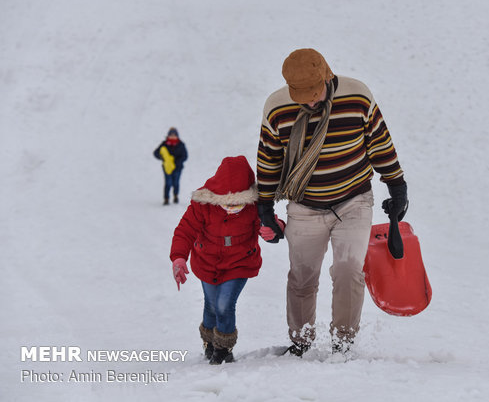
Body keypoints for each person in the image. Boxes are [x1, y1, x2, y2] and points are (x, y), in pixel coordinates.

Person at [256, 48, 409, 356]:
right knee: (302, 276)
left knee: (348, 269)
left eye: (314, 93)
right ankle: (301, 342)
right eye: (302, 96)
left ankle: (343, 343)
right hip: (304, 206)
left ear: (327, 75)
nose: (310, 102)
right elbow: (269, 159)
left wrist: (396, 185)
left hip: (354, 200)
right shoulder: (277, 107)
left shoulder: (357, 95)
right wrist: (265, 206)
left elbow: (379, 142)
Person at [169, 155, 264, 365]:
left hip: (239, 263)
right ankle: (209, 343)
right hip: (207, 262)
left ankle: (224, 349)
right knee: (211, 306)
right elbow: (185, 231)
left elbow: (267, 224)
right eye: (228, 202)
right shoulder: (203, 204)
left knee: (224, 305)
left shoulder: (255, 205)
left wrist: (274, 229)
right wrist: (178, 258)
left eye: (240, 201)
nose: (233, 206)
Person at [153, 127, 188, 205]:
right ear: (168, 135)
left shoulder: (181, 145)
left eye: (174, 135)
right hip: (167, 168)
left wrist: (177, 162)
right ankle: (166, 198)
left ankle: (175, 196)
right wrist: (162, 157)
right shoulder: (164, 144)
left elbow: (185, 156)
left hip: (178, 168)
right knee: (168, 183)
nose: (172, 136)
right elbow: (156, 152)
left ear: (177, 136)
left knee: (176, 183)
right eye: (171, 135)